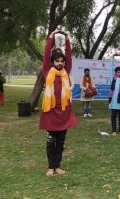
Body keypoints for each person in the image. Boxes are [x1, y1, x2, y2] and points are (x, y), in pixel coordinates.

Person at [39, 30, 79, 176]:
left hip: (63, 113)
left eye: (62, 61)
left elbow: (69, 56)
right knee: (50, 143)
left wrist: (67, 38)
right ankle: (51, 167)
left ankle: (58, 166)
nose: (60, 63)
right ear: (52, 62)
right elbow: (45, 57)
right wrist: (51, 38)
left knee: (60, 142)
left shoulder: (66, 72)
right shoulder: (47, 71)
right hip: (50, 113)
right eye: (57, 61)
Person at [108, 53, 120, 135]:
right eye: (118, 72)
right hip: (114, 102)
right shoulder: (112, 78)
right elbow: (110, 67)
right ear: (115, 72)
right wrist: (112, 57)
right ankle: (113, 130)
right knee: (113, 117)